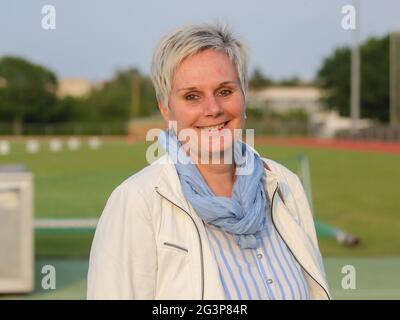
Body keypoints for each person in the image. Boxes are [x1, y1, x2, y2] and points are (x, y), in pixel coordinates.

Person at [87, 23, 331, 300]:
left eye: (225, 91)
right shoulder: (137, 201)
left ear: (244, 94)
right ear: (166, 108)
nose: (213, 109)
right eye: (192, 96)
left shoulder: (284, 185)